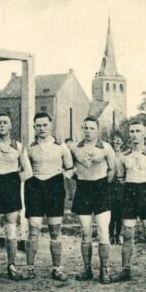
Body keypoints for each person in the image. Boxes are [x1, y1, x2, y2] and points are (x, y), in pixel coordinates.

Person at [0, 113, 32, 281]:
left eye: (5, 123)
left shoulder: (19, 146)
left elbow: (28, 171)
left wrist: (14, 182)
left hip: (11, 189)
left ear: (11, 126)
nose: (2, 125)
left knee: (11, 229)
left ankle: (12, 265)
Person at [111, 121, 146, 286]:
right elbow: (120, 177)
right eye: (132, 131)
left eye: (138, 131)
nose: (134, 134)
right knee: (127, 234)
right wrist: (131, 190)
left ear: (144, 134)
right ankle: (126, 269)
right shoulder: (124, 155)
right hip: (129, 195)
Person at [25, 112, 74, 281]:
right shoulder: (29, 148)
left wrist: (60, 179)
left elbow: (70, 169)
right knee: (33, 230)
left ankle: (57, 269)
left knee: (55, 230)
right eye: (38, 125)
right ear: (34, 128)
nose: (42, 128)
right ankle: (30, 268)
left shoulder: (61, 147)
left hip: (54, 188)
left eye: (45, 125)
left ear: (50, 126)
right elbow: (25, 169)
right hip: (35, 188)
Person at [70, 117, 116, 283]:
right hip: (83, 190)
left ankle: (104, 269)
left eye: (91, 128)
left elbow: (112, 170)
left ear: (98, 130)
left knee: (103, 230)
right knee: (85, 231)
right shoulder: (75, 148)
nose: (88, 130)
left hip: (101, 190)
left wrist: (102, 184)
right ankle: (87, 269)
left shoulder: (106, 148)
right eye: (85, 127)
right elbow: (69, 169)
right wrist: (80, 178)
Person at [109, 134, 125, 245]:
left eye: (118, 142)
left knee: (119, 213)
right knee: (110, 213)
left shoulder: (124, 156)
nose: (116, 145)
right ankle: (110, 235)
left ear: (122, 143)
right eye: (114, 143)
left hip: (121, 188)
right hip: (109, 187)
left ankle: (118, 235)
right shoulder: (109, 155)